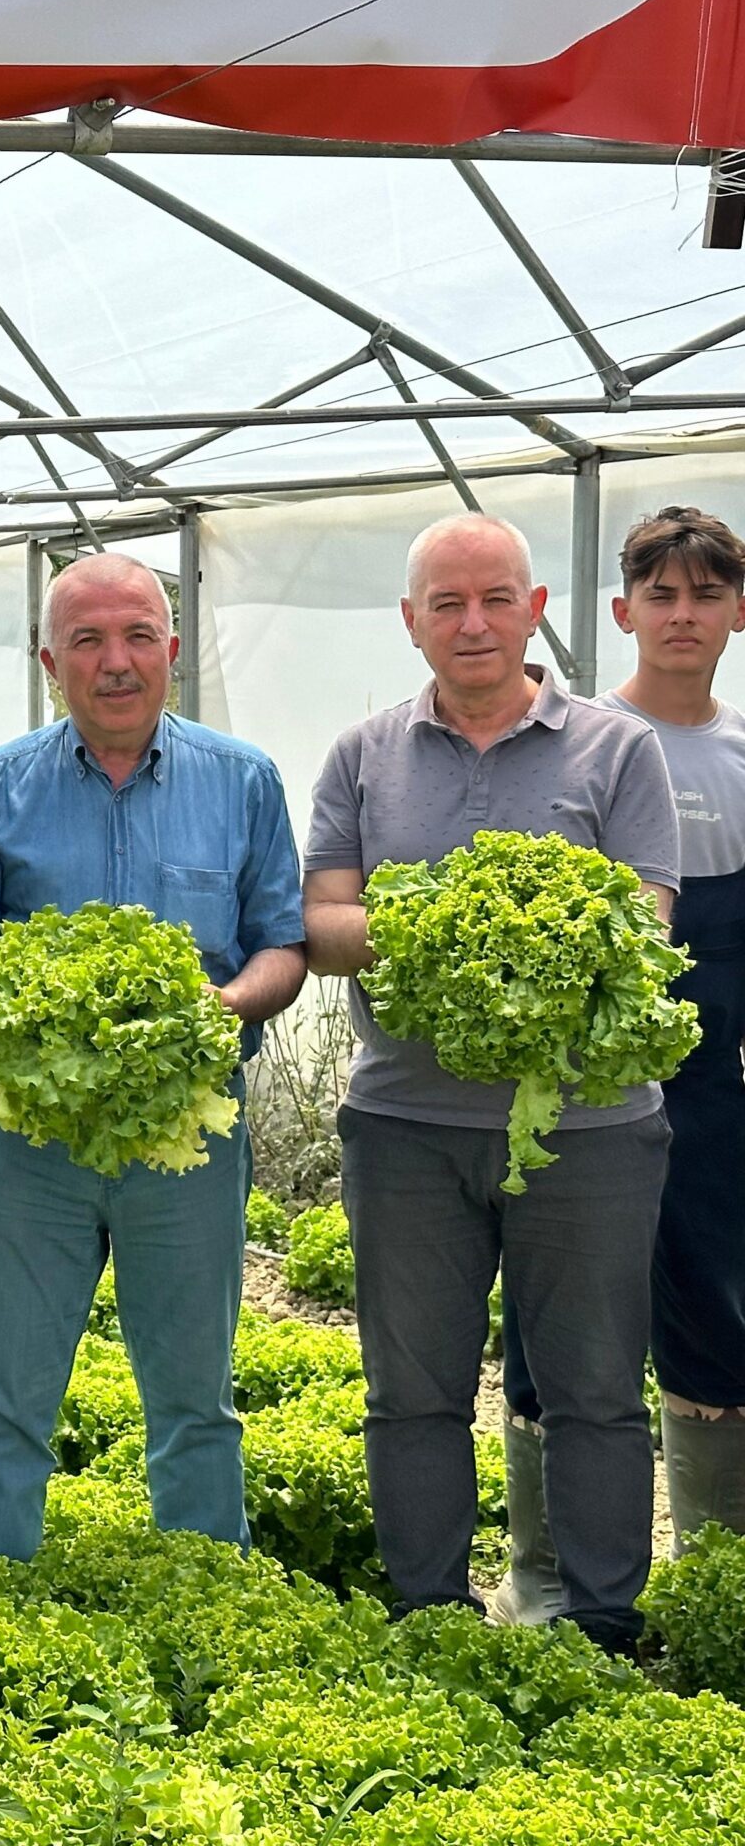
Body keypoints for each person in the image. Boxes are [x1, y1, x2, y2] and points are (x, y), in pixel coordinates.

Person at [303, 511, 678, 1655]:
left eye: (494, 599)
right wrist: (448, 936)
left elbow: (645, 925)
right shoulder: (361, 753)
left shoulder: (616, 750)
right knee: (410, 1388)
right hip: (405, 1124)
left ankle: (603, 1622)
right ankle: (427, 1617)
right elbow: (322, 923)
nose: (472, 623)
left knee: (597, 1391)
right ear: (410, 620)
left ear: (536, 611)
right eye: (446, 604)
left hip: (591, 1131)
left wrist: (494, 939)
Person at [0, 554, 307, 1560]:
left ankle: (203, 1592)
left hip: (186, 1137)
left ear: (172, 651)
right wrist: (9, 1013)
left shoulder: (244, 780)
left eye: (138, 635)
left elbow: (282, 946)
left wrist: (215, 1010)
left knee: (196, 1399)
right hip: (32, 1140)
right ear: (49, 660)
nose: (116, 661)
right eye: (87, 641)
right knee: (5, 1394)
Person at [488, 506, 745, 1618]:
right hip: (575, 1099)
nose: (681, 615)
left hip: (710, 1098)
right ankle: (544, 1579)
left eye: (705, 594)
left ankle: (712, 1582)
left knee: (717, 1318)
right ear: (620, 610)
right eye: (661, 594)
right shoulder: (579, 744)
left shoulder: (740, 758)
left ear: (738, 611)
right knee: (555, 1328)